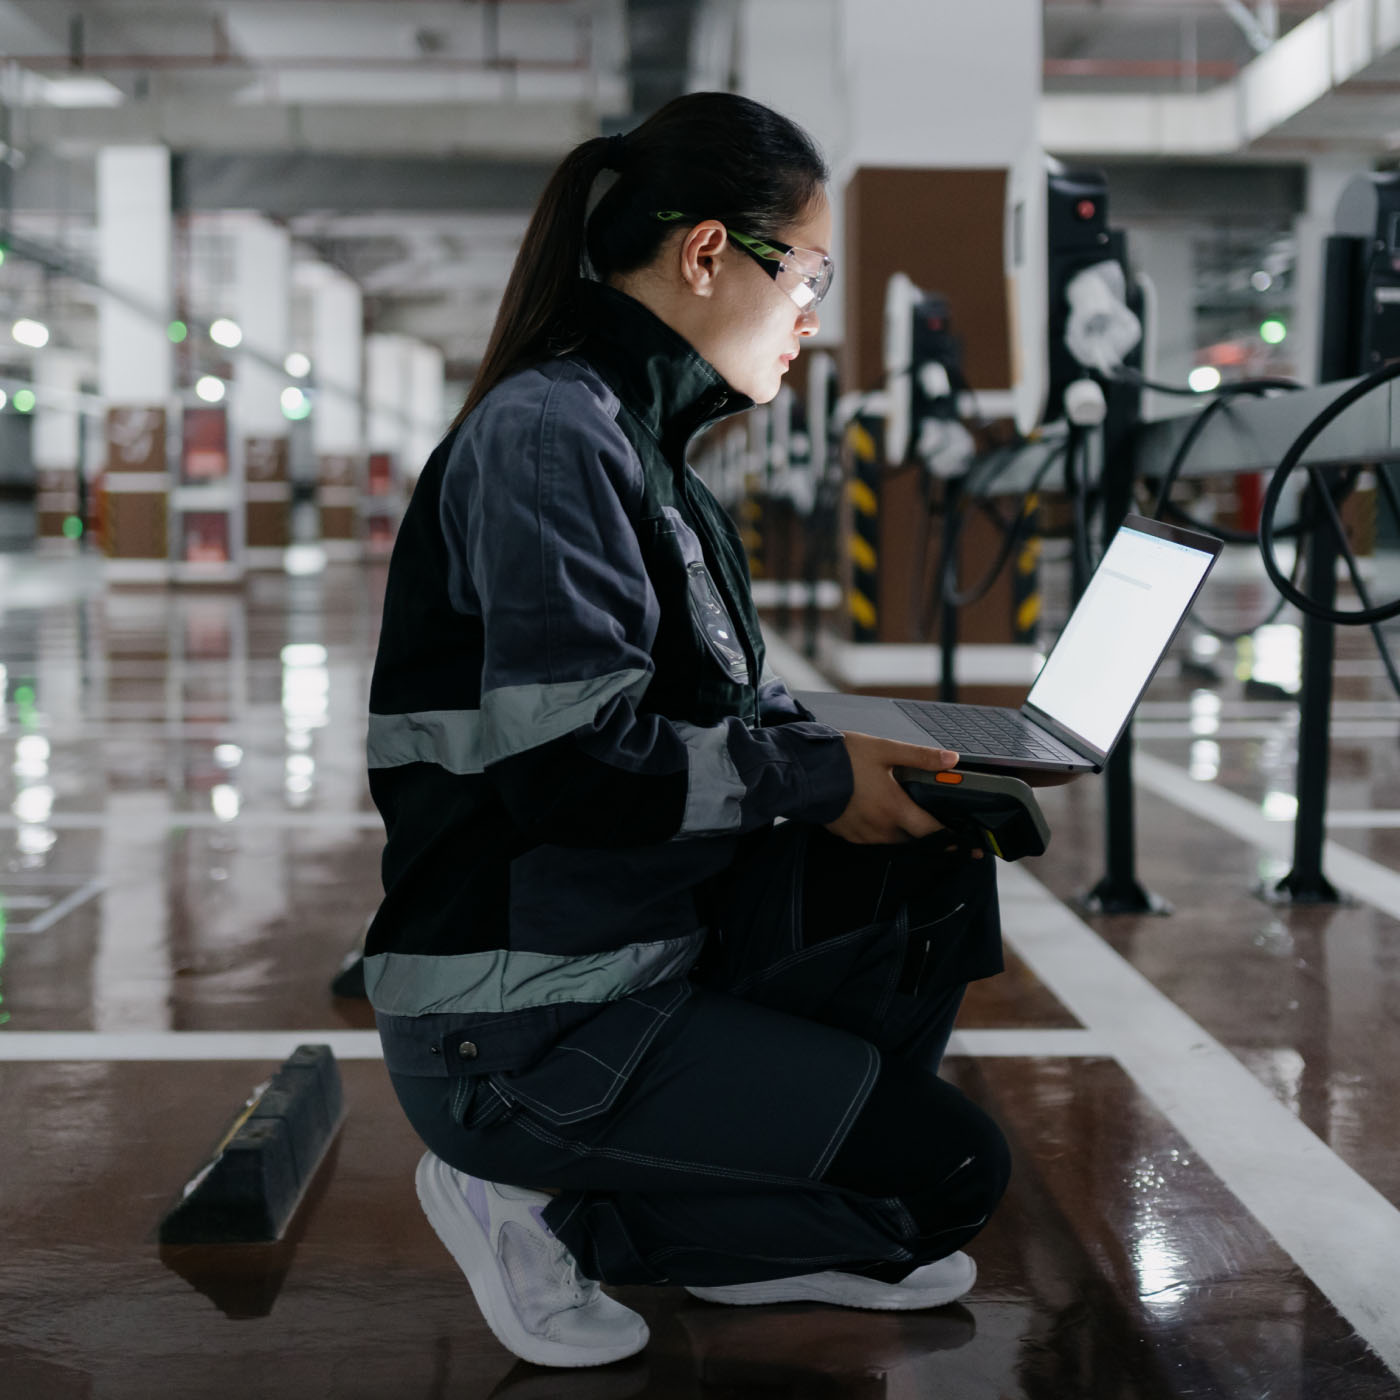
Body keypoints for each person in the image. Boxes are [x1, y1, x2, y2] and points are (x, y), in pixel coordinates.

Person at [365, 91, 1010, 1371]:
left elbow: (723, 708)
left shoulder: (642, 448)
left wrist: (870, 751)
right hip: (521, 1020)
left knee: (931, 855)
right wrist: (819, 774)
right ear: (707, 253)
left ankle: (741, 1221)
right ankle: (538, 1192)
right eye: (808, 274)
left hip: (628, 954)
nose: (813, 314)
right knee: (939, 1180)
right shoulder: (551, 436)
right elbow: (568, 769)